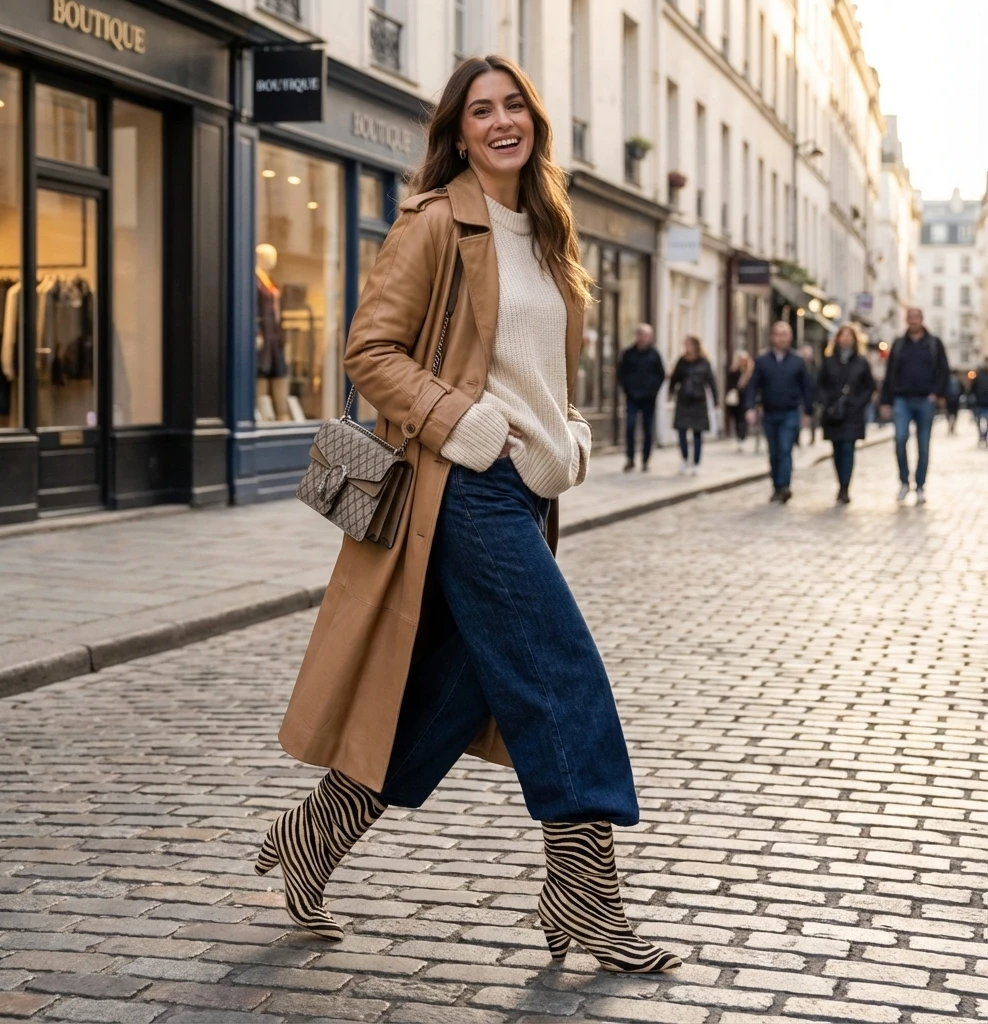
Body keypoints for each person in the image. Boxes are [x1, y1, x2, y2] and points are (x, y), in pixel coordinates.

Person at [260, 55, 680, 975]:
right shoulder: (435, 222)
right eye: (480, 111)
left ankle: (311, 841)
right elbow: (369, 350)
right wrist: (464, 421)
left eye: (514, 105)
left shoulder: (548, 230)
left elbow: (532, 368)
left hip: (523, 489)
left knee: (453, 694)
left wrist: (564, 430)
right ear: (457, 133)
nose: (501, 122)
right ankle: (585, 895)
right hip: (461, 488)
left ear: (534, 119)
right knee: (560, 671)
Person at [878, 307, 950, 505]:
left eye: (916, 317)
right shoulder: (900, 344)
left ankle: (919, 485)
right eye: (910, 317)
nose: (913, 321)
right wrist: (886, 401)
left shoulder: (934, 343)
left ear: (922, 319)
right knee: (900, 439)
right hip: (902, 399)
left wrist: (937, 393)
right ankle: (903, 482)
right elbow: (890, 373)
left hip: (925, 400)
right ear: (906, 320)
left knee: (923, 445)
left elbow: (943, 370)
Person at [745, 321, 814, 503]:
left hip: (790, 412)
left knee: (785, 448)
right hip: (769, 412)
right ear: (772, 337)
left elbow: (807, 388)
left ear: (790, 337)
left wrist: (808, 411)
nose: (782, 338)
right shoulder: (762, 361)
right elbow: (753, 386)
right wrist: (750, 407)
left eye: (785, 334)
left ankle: (784, 486)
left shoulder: (797, 362)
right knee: (774, 452)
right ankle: (776, 486)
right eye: (778, 334)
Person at [816, 324, 874, 504]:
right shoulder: (829, 362)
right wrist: (827, 403)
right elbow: (820, 385)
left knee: (848, 449)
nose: (846, 339)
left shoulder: (861, 363)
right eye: (843, 335)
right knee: (837, 450)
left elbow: (869, 387)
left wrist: (858, 403)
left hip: (852, 414)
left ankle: (844, 487)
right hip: (833, 413)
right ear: (838, 339)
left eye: (850, 336)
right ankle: (840, 481)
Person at [618, 323, 665, 472]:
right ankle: (630, 458)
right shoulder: (628, 353)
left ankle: (645, 459)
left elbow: (661, 374)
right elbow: (621, 373)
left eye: (647, 335)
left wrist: (654, 390)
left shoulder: (654, 354)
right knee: (630, 426)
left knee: (647, 429)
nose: (644, 338)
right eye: (642, 335)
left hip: (648, 398)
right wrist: (627, 389)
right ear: (637, 336)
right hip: (632, 396)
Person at [669, 336, 718, 475]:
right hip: (683, 400)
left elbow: (711, 382)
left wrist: (716, 402)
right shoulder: (682, 362)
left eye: (689, 345)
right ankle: (684, 459)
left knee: (697, 433)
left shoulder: (704, 363)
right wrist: (671, 392)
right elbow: (674, 379)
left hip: (698, 401)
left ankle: (696, 463)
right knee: (681, 431)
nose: (687, 348)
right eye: (685, 345)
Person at [725, 350, 754, 452]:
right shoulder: (733, 372)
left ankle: (742, 438)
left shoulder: (750, 373)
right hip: (736, 400)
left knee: (743, 420)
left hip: (746, 399)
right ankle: (739, 438)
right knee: (737, 419)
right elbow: (729, 386)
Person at [799, 344, 819, 446]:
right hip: (800, 396)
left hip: (812, 396)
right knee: (799, 418)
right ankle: (797, 439)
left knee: (813, 418)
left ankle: (813, 437)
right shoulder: (799, 366)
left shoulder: (814, 366)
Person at [972, 361, 988, 447]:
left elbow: (973, 389)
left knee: (978, 420)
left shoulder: (978, 376)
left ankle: (981, 436)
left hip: (979, 401)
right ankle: (984, 436)